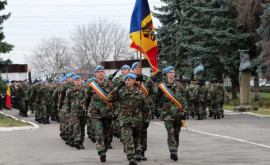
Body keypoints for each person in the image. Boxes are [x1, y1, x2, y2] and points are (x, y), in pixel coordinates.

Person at [108, 73, 149, 165]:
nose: (127, 81)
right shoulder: (121, 92)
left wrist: (147, 120)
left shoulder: (140, 92)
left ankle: (136, 152)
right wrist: (117, 88)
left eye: (129, 80)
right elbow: (109, 98)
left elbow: (145, 107)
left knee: (135, 139)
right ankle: (131, 157)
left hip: (137, 121)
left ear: (134, 81)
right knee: (127, 138)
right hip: (125, 121)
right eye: (126, 80)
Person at [84, 65, 115, 162]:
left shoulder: (111, 85)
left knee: (106, 133)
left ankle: (103, 148)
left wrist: (116, 111)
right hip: (95, 113)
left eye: (102, 71)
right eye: (98, 72)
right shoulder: (92, 86)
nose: (100, 73)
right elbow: (86, 99)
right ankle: (101, 151)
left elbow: (116, 99)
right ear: (96, 74)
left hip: (108, 114)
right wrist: (85, 110)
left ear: (104, 73)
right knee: (98, 132)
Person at [157, 66, 187, 161]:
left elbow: (184, 100)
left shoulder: (179, 86)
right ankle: (172, 150)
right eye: (170, 72)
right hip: (167, 114)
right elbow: (157, 98)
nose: (171, 74)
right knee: (170, 132)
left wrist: (185, 111)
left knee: (176, 134)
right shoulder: (162, 86)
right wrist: (158, 109)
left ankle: (175, 150)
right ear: (166, 74)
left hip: (177, 114)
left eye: (173, 72)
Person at [131, 62, 155, 161]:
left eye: (139, 67)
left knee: (143, 132)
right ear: (132, 70)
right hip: (133, 111)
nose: (137, 69)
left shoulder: (148, 80)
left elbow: (153, 93)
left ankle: (143, 152)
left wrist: (150, 106)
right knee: (134, 132)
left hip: (145, 111)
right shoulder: (129, 80)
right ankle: (136, 151)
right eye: (135, 67)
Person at [65, 75, 86, 149]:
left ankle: (81, 142)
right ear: (73, 82)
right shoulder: (70, 91)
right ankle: (77, 140)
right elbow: (67, 103)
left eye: (79, 80)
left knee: (82, 127)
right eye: (76, 80)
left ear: (81, 81)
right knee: (76, 126)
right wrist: (67, 112)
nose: (77, 81)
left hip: (83, 111)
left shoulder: (85, 90)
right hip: (74, 112)